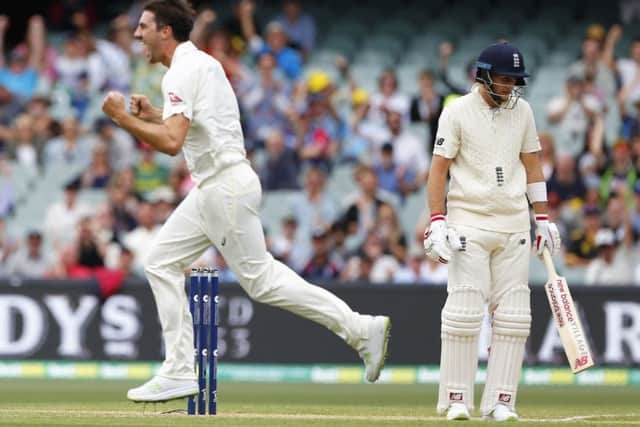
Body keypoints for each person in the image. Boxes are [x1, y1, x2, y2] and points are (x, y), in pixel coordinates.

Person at [101, 0, 390, 403]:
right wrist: (152, 114)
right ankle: (180, 369)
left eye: (144, 26)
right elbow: (191, 126)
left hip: (224, 187)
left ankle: (360, 328)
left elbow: (171, 143)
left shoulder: (182, 72)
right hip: (216, 186)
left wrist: (122, 118)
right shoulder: (198, 65)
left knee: (262, 281)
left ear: (165, 31)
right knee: (160, 262)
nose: (136, 34)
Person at [422, 42, 562, 421]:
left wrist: (543, 218)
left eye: (516, 81)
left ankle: (501, 401)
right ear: (483, 75)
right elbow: (438, 170)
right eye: (503, 79)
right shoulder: (457, 113)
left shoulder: (524, 112)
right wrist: (437, 221)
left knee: (514, 318)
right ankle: (456, 399)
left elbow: (532, 168)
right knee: (464, 312)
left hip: (514, 224)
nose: (510, 87)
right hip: (468, 221)